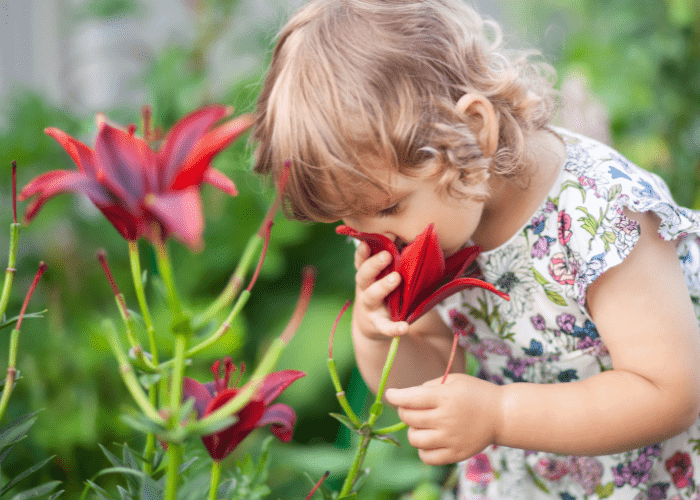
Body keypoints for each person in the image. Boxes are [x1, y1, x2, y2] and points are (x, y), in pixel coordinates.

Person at [251, 0, 700, 498]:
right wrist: (377, 332)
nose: (381, 240)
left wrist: (500, 414)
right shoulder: (450, 215)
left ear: (473, 132)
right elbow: (428, 373)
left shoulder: (602, 218)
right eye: (352, 225)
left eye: (388, 208)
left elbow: (669, 392)